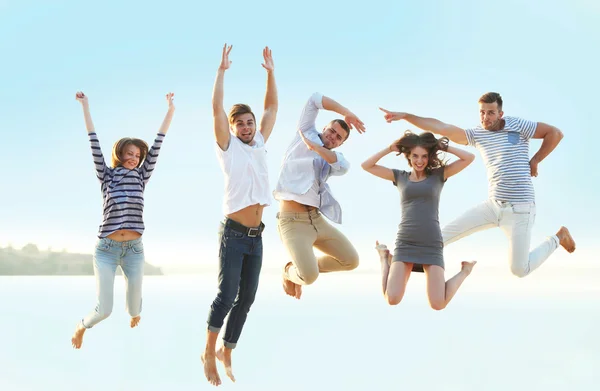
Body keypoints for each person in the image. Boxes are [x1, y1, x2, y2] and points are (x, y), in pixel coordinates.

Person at [379, 92, 576, 278]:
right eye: (482, 112)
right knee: (439, 236)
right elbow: (441, 127)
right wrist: (406, 116)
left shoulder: (518, 125)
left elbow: (555, 133)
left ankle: (558, 237)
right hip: (493, 206)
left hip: (520, 209)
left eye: (490, 113)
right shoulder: (478, 134)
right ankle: (410, 261)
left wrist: (535, 160)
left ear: (500, 113)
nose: (485, 117)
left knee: (519, 269)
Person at [70, 91, 175, 349]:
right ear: (120, 153)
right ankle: (82, 325)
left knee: (133, 308)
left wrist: (170, 111)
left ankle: (135, 312)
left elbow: (158, 143)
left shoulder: (141, 176)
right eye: (130, 153)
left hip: (134, 250)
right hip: (106, 249)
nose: (134, 158)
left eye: (138, 155)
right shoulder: (106, 175)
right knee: (105, 309)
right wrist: (85, 106)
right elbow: (93, 140)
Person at [201, 44, 278, 387]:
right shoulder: (227, 147)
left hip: (256, 236)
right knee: (227, 294)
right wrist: (221, 71)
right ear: (232, 128)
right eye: (241, 124)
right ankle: (208, 352)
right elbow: (216, 108)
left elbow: (272, 107)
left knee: (246, 298)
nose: (247, 127)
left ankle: (227, 349)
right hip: (233, 234)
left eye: (249, 123)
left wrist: (271, 73)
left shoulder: (260, 142)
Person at [362, 131, 476, 308]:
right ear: (408, 156)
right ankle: (385, 258)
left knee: (438, 303)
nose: (420, 161)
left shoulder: (438, 175)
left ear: (429, 156)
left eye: (424, 156)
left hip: (430, 243)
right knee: (392, 299)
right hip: (406, 241)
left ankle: (465, 271)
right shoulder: (400, 177)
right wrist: (389, 149)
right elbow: (366, 165)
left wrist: (443, 146)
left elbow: (469, 157)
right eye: (415, 156)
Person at [274, 92, 366, 300]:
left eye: (338, 138)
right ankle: (289, 270)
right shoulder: (305, 133)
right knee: (308, 277)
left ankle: (305, 265)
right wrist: (347, 113)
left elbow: (343, 167)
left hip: (317, 221)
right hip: (292, 222)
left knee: (351, 260)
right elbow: (315, 98)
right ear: (325, 128)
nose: (332, 137)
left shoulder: (333, 159)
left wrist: (317, 149)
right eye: (332, 131)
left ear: (340, 144)